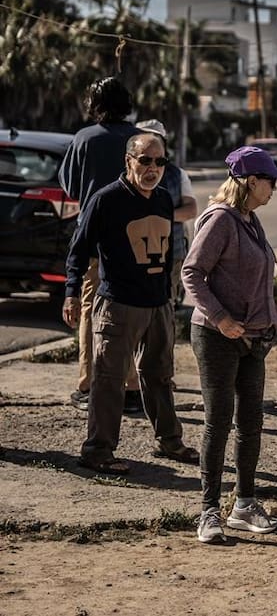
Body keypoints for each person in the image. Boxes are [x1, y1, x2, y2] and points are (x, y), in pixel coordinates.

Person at [62, 132, 198, 476]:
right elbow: (79, 250)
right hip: (119, 305)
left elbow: (169, 251)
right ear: (129, 161)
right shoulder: (106, 200)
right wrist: (72, 291)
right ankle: (97, 450)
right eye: (145, 160)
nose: (152, 168)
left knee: (160, 377)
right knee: (108, 380)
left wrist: (169, 296)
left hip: (158, 304)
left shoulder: (164, 199)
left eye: (159, 161)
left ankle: (169, 440)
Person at [183, 146, 277, 545]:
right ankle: (209, 512)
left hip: (253, 339)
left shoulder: (249, 220)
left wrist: (272, 311)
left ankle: (244, 505)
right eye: (270, 180)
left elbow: (252, 276)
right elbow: (191, 273)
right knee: (218, 421)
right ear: (249, 182)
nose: (274, 187)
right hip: (217, 338)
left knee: (250, 422)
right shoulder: (221, 220)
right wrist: (221, 318)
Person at [59, 77, 141, 413]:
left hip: (95, 238)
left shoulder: (84, 138)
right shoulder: (140, 140)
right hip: (137, 237)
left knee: (93, 312)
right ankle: (134, 387)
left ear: (94, 104)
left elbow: (70, 186)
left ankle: (88, 384)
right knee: (135, 313)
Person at [136, 120, 198, 306]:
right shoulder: (126, 172)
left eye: (154, 139)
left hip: (171, 253)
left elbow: (191, 209)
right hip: (134, 253)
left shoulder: (177, 175)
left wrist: (161, 217)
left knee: (165, 306)